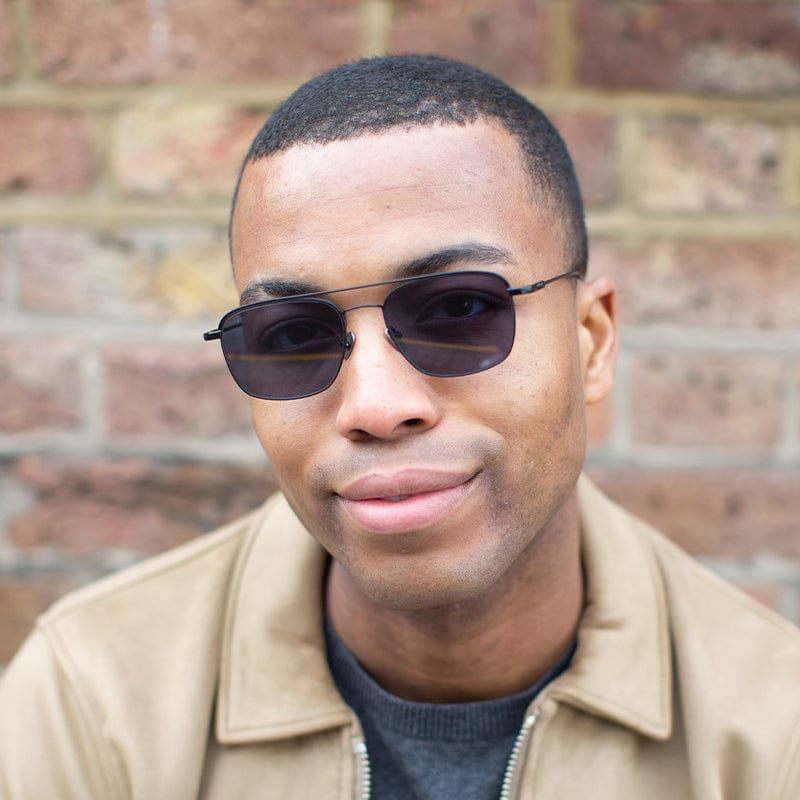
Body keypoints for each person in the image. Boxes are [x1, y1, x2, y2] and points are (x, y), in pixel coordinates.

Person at [1, 54, 799, 800]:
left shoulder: (772, 736)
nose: (377, 406)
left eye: (459, 308)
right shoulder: (97, 706)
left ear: (591, 342)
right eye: (294, 334)